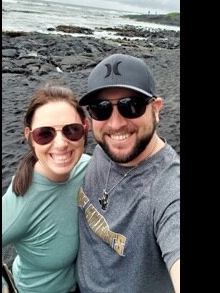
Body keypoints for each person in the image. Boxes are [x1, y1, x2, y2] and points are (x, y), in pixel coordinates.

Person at [76, 54, 180, 292]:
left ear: (156, 109)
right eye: (100, 109)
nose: (115, 124)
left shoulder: (168, 188)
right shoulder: (105, 150)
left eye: (131, 106)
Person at [2, 83, 91, 293]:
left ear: (85, 128)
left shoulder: (88, 168)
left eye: (72, 130)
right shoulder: (21, 200)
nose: (61, 144)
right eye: (45, 134)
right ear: (29, 136)